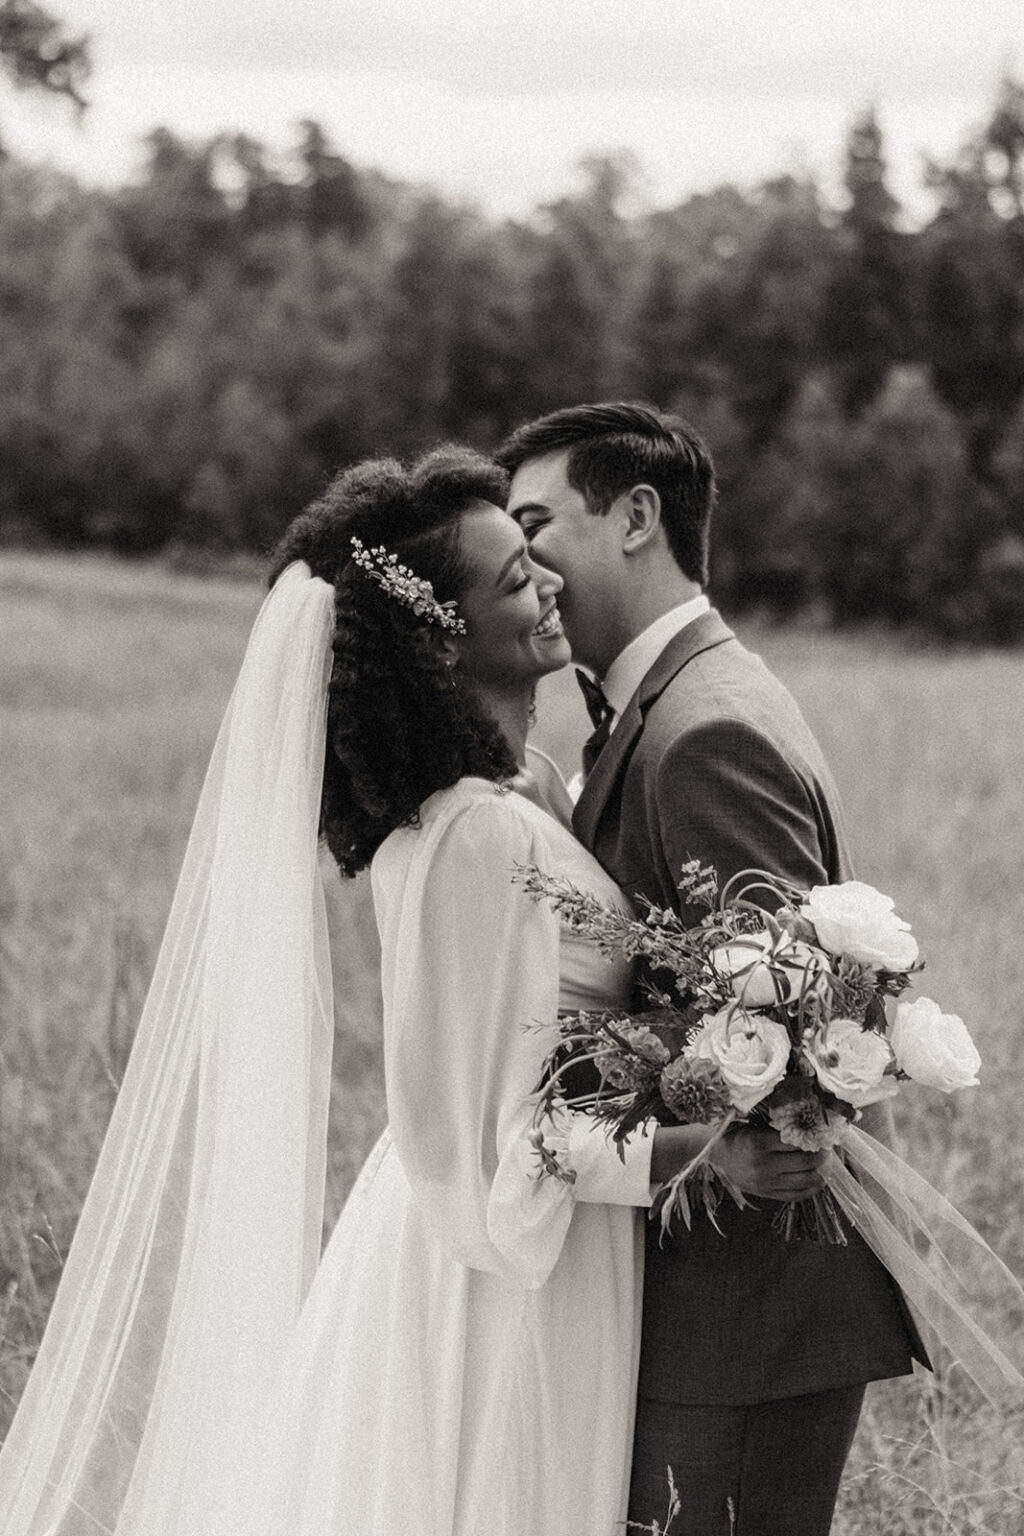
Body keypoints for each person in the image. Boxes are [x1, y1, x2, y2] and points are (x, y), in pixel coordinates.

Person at [0, 446, 697, 1536]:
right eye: (517, 578)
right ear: (440, 639)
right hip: (496, 1294)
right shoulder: (470, 833)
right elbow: (488, 1166)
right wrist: (699, 1148)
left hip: (523, 1257)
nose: (550, 582)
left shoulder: (518, 786)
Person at [498, 401, 923, 1536]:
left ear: (637, 516)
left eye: (535, 521)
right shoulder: (666, 701)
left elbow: (787, 1042)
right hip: (693, 1288)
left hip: (743, 1309)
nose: (520, 560)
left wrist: (730, 1132)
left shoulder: (701, 728)